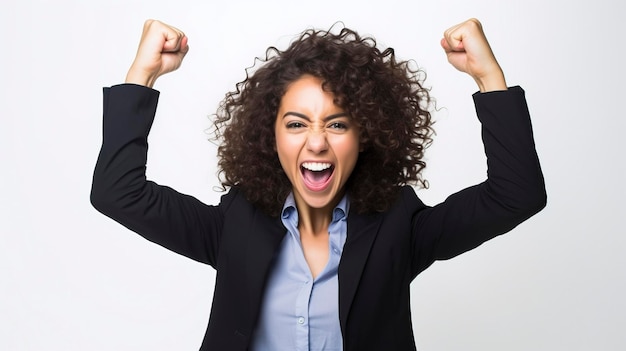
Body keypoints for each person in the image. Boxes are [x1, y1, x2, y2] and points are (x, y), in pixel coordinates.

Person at [91, 18, 546, 351]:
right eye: (295, 123)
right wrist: (142, 76)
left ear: (366, 134)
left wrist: (490, 79)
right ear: (270, 136)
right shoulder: (236, 223)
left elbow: (516, 193)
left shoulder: (398, 227)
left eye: (337, 124)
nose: (316, 143)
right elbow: (118, 192)